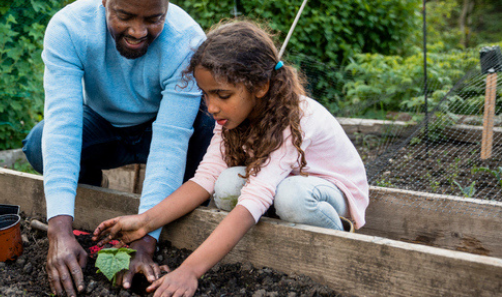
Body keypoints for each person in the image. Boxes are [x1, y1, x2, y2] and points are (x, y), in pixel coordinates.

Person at [93, 20, 369, 297]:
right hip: (280, 185)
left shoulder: (295, 117)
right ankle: (279, 242)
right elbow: (205, 178)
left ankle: (342, 243)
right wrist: (144, 221)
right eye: (206, 94)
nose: (211, 107)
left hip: (331, 193)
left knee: (291, 196)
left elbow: (256, 197)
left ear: (260, 86)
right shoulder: (230, 117)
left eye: (222, 95)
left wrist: (190, 270)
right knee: (225, 184)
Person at [21, 0, 215, 297]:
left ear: (166, 6)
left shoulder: (186, 42)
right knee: (38, 143)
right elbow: (63, 123)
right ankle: (91, 199)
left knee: (209, 123)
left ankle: (186, 211)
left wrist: (145, 244)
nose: (138, 31)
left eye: (153, 19)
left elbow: (171, 142)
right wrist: (59, 229)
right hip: (103, 125)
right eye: (124, 16)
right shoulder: (68, 28)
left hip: (161, 128)